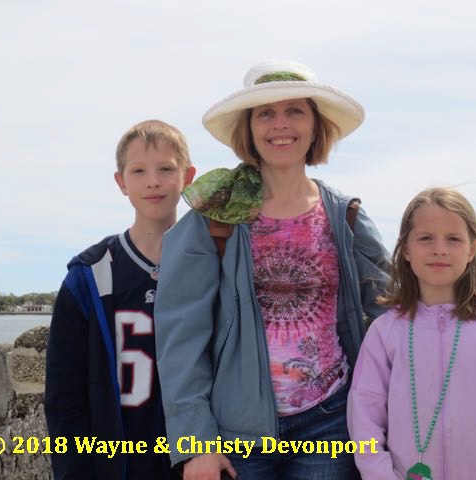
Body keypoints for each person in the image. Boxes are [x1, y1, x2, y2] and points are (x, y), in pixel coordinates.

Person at [154, 59, 390, 480]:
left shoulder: (345, 215)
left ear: (316, 126)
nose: (281, 124)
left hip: (330, 423)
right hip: (235, 434)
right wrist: (194, 444)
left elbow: (396, 308)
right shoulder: (216, 216)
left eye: (295, 111)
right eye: (266, 113)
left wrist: (473, 314)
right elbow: (180, 337)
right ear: (249, 128)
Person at [45, 120, 196, 479]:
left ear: (188, 176)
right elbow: (64, 395)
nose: (153, 181)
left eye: (165, 169)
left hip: (195, 457)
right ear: (121, 182)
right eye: (139, 171)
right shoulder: (91, 275)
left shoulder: (213, 262)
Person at [347, 187, 476, 480]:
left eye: (453, 239)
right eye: (425, 238)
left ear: (472, 249)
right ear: (406, 249)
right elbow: (365, 419)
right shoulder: (384, 332)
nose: (439, 249)